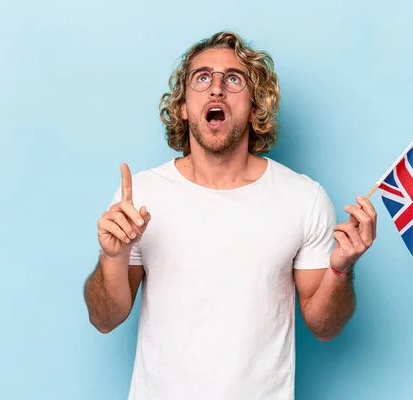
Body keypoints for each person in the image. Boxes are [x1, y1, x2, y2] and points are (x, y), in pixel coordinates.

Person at [83, 31, 377, 400]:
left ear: (256, 108)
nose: (217, 89)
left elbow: (325, 327)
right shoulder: (140, 197)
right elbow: (104, 319)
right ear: (182, 106)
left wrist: (341, 268)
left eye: (233, 79)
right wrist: (113, 256)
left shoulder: (304, 198)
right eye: (202, 77)